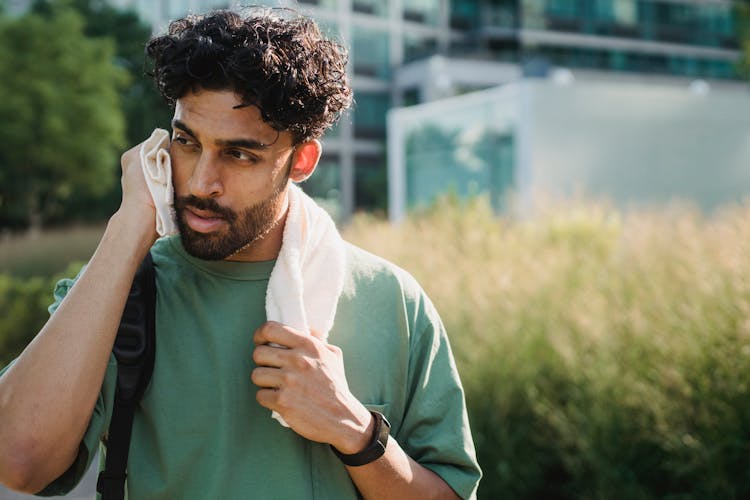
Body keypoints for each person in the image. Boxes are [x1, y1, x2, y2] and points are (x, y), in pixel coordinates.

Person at [0, 8, 481, 499]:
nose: (202, 182)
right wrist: (127, 230)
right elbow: (18, 462)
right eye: (187, 143)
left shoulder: (394, 302)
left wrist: (355, 431)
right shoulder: (122, 289)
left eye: (239, 154)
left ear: (302, 160)